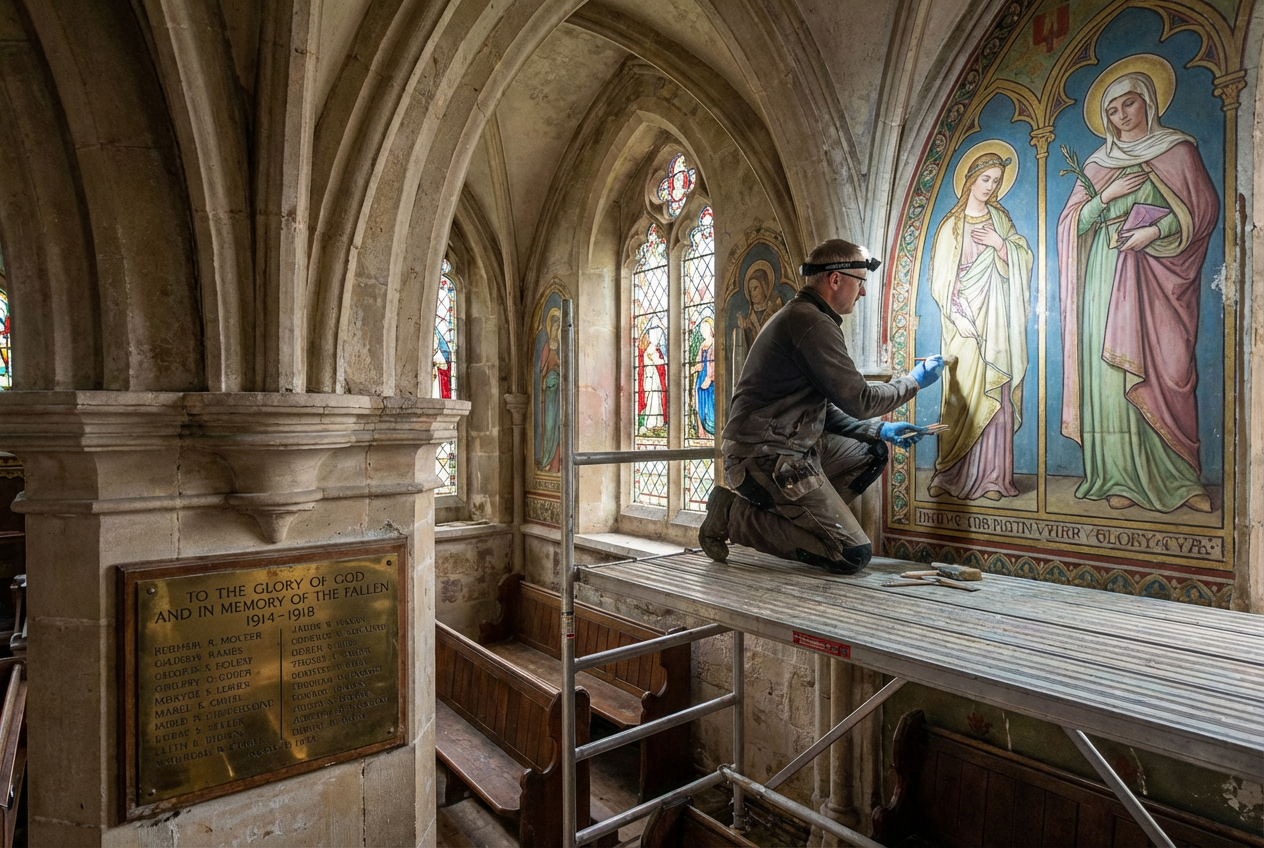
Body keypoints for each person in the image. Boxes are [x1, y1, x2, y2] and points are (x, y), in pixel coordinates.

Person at [699, 239, 944, 574]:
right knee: (851, 554)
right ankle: (732, 515)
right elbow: (860, 400)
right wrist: (914, 381)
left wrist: (881, 429)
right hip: (762, 458)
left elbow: (820, 410)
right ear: (835, 279)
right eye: (860, 283)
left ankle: (808, 519)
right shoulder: (810, 322)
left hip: (791, 451)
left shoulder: (807, 317)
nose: (862, 293)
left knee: (872, 450)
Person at [1057, 60, 1217, 513]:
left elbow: (1203, 211)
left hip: (1158, 278)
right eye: (1112, 110)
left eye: (1129, 104)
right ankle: (1117, 476)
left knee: (1170, 370)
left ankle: (1183, 478)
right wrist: (1102, 198)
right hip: (1105, 281)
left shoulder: (1178, 150)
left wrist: (1156, 231)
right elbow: (1070, 225)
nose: (1122, 116)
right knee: (1110, 381)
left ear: (1148, 102)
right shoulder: (1096, 164)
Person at [928, 144, 1032, 501]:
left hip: (997, 324)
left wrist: (1001, 245)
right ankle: (952, 473)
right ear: (971, 179)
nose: (990, 186)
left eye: (996, 180)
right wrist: (959, 314)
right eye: (985, 178)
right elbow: (942, 282)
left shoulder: (1000, 219)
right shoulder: (951, 226)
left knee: (996, 391)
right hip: (964, 323)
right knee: (963, 396)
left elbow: (1023, 259)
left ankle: (993, 478)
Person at [535, 307, 562, 472]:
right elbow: (542, 370)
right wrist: (549, 377)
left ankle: (556, 464)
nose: (555, 329)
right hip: (549, 397)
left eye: (558, 327)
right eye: (553, 325)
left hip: (559, 395)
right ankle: (546, 460)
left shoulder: (562, 347)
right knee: (550, 428)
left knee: (560, 427)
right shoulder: (546, 347)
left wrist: (558, 371)